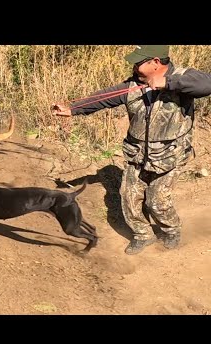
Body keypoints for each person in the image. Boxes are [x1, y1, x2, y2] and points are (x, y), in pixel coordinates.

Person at [52, 45, 211, 255]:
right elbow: (104, 98)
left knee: (156, 200)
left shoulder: (182, 77)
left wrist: (167, 83)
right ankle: (143, 235)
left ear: (155, 62)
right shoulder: (134, 85)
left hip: (170, 156)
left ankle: (171, 231)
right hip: (137, 154)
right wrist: (73, 109)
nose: (134, 66)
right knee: (128, 197)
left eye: (139, 62)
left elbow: (206, 84)